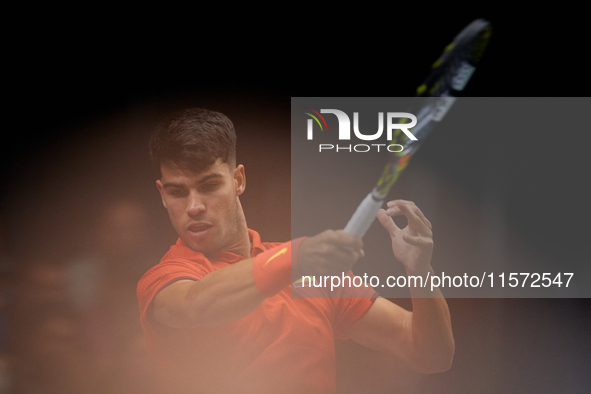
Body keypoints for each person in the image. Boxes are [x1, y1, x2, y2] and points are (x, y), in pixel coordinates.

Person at [136, 108, 454, 394]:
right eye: (178, 192)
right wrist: (297, 256)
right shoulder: (164, 280)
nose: (193, 206)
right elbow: (196, 304)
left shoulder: (312, 270)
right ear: (162, 195)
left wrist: (420, 271)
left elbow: (430, 355)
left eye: (208, 186)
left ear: (238, 180)